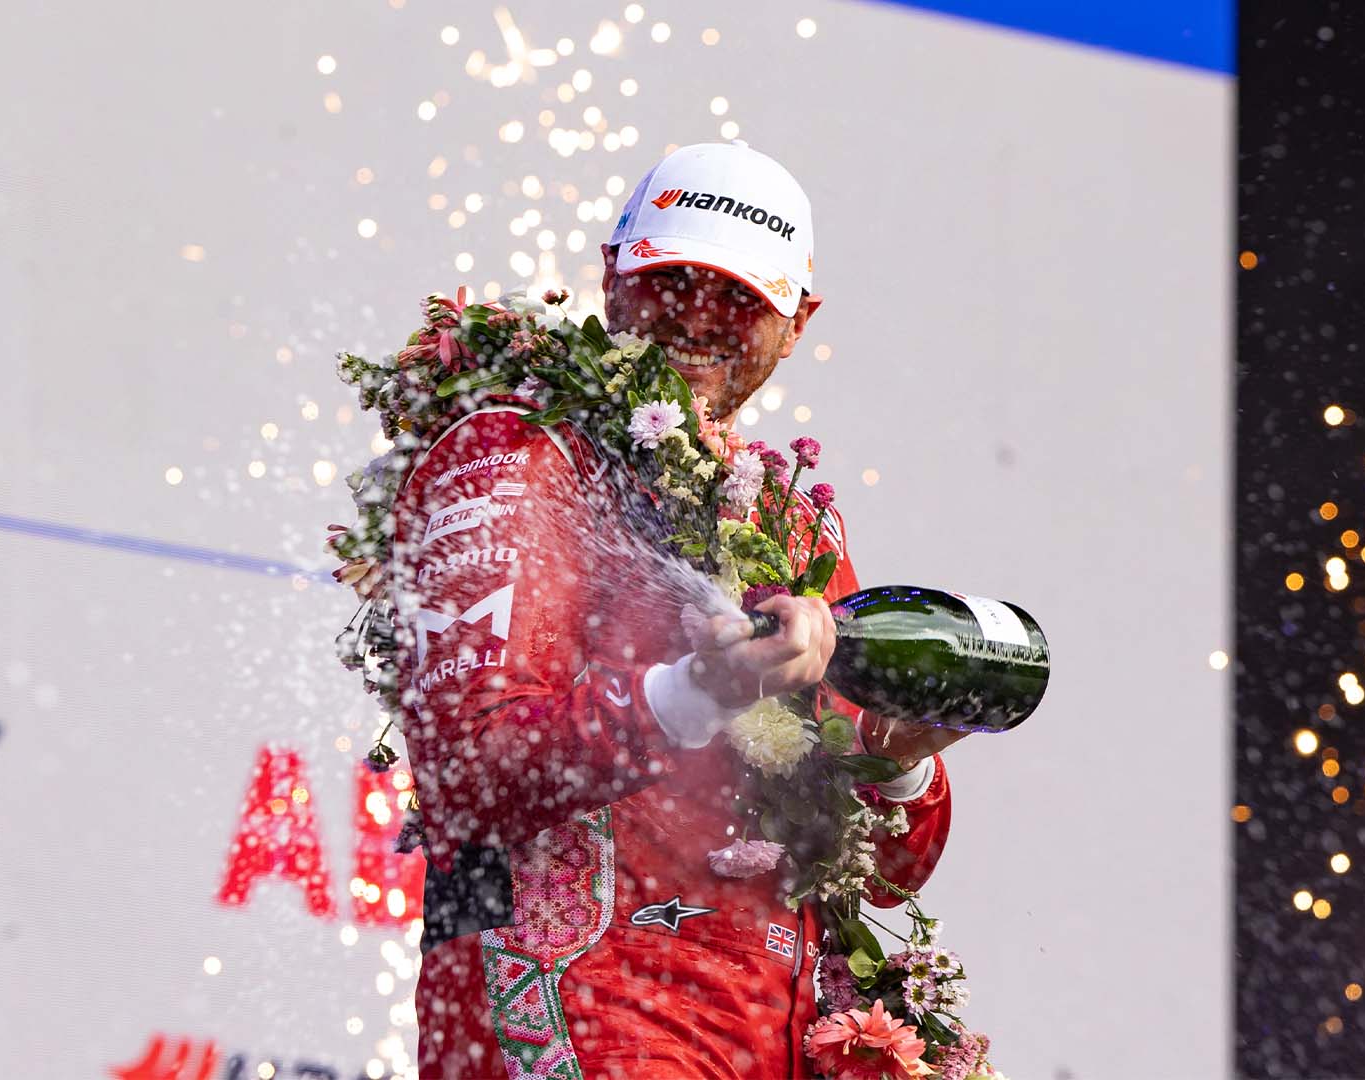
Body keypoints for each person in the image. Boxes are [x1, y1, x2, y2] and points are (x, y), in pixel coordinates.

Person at [391, 142, 968, 1078]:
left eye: (737, 297)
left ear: (797, 323)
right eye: (675, 282)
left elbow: (889, 876)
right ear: (614, 279)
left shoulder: (790, 513)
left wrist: (897, 768)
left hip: (761, 1044)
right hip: (573, 1018)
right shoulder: (520, 453)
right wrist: (698, 689)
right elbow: (469, 769)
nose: (700, 318)